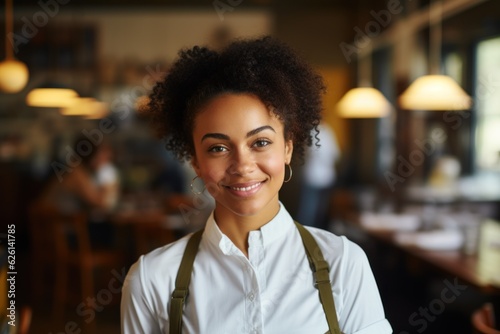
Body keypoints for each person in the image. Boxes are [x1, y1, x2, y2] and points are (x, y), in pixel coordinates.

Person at [121, 37, 392, 334]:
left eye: (260, 142)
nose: (242, 165)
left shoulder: (343, 263)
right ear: (195, 161)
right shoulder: (152, 279)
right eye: (218, 148)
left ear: (288, 147)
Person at [296, 121, 340, 230]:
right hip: (314, 178)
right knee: (309, 211)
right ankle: (304, 236)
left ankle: (311, 236)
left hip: (323, 178)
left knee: (318, 212)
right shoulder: (316, 132)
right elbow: (335, 154)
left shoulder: (325, 132)